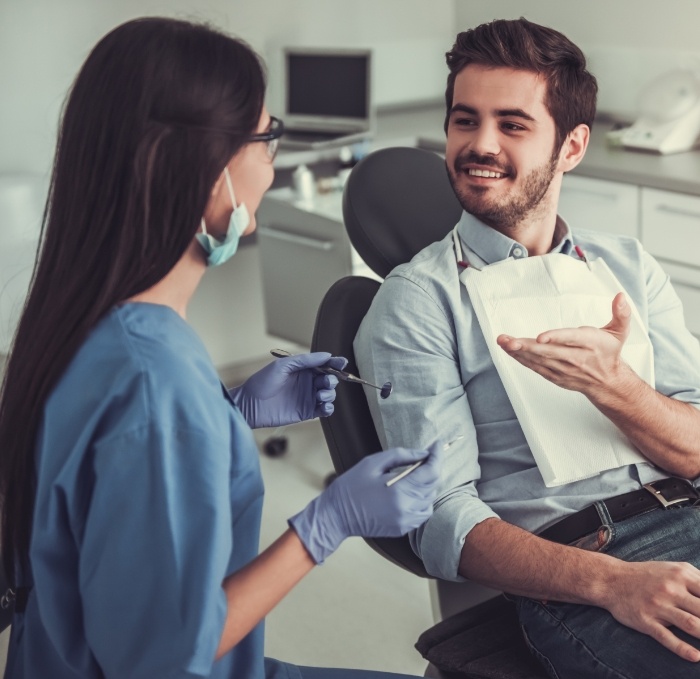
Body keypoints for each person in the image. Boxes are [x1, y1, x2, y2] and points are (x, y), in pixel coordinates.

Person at [0, 17, 444, 679]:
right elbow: (160, 660)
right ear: (209, 172)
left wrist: (229, 413)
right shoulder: (157, 384)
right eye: (267, 138)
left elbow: (110, 485)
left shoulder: (82, 320)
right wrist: (329, 520)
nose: (271, 161)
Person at [354, 17, 700, 679]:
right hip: (592, 561)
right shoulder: (418, 299)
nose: (479, 145)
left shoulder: (626, 266)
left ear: (571, 147)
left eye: (512, 125)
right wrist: (611, 582)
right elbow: (440, 521)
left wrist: (616, 389)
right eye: (465, 120)